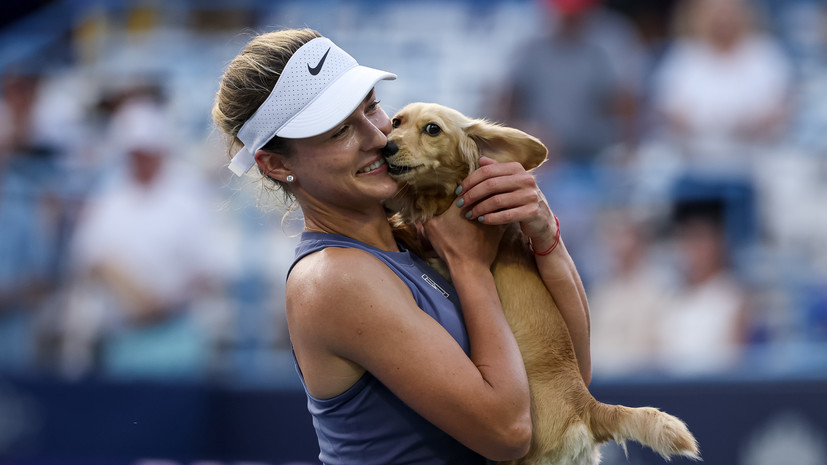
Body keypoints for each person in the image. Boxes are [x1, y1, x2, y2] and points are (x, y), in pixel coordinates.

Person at [212, 29, 591, 464]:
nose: (378, 138)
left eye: (372, 106)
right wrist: (471, 267)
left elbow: (570, 383)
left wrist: (545, 238)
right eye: (339, 132)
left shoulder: (419, 238)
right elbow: (508, 432)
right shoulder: (333, 279)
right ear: (276, 164)